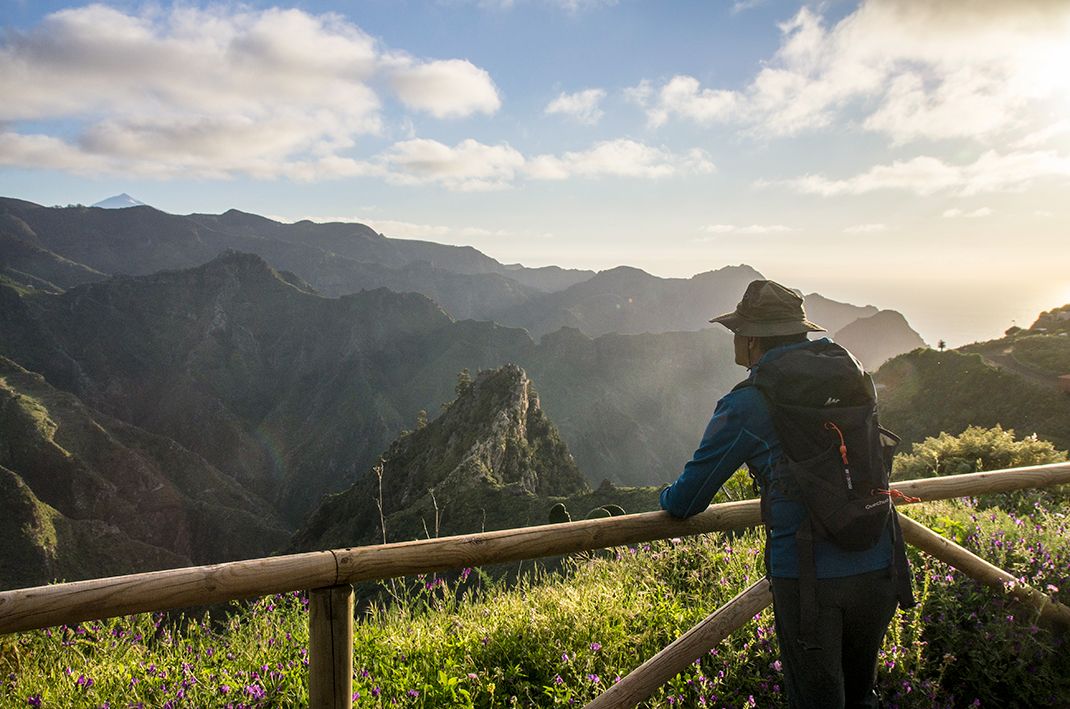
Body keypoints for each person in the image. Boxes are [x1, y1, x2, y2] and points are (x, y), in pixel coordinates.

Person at [660, 279, 906, 709]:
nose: (734, 339)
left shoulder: (750, 403)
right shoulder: (853, 375)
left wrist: (663, 497)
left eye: (736, 331)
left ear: (751, 339)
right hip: (879, 558)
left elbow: (686, 500)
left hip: (811, 581)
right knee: (860, 697)